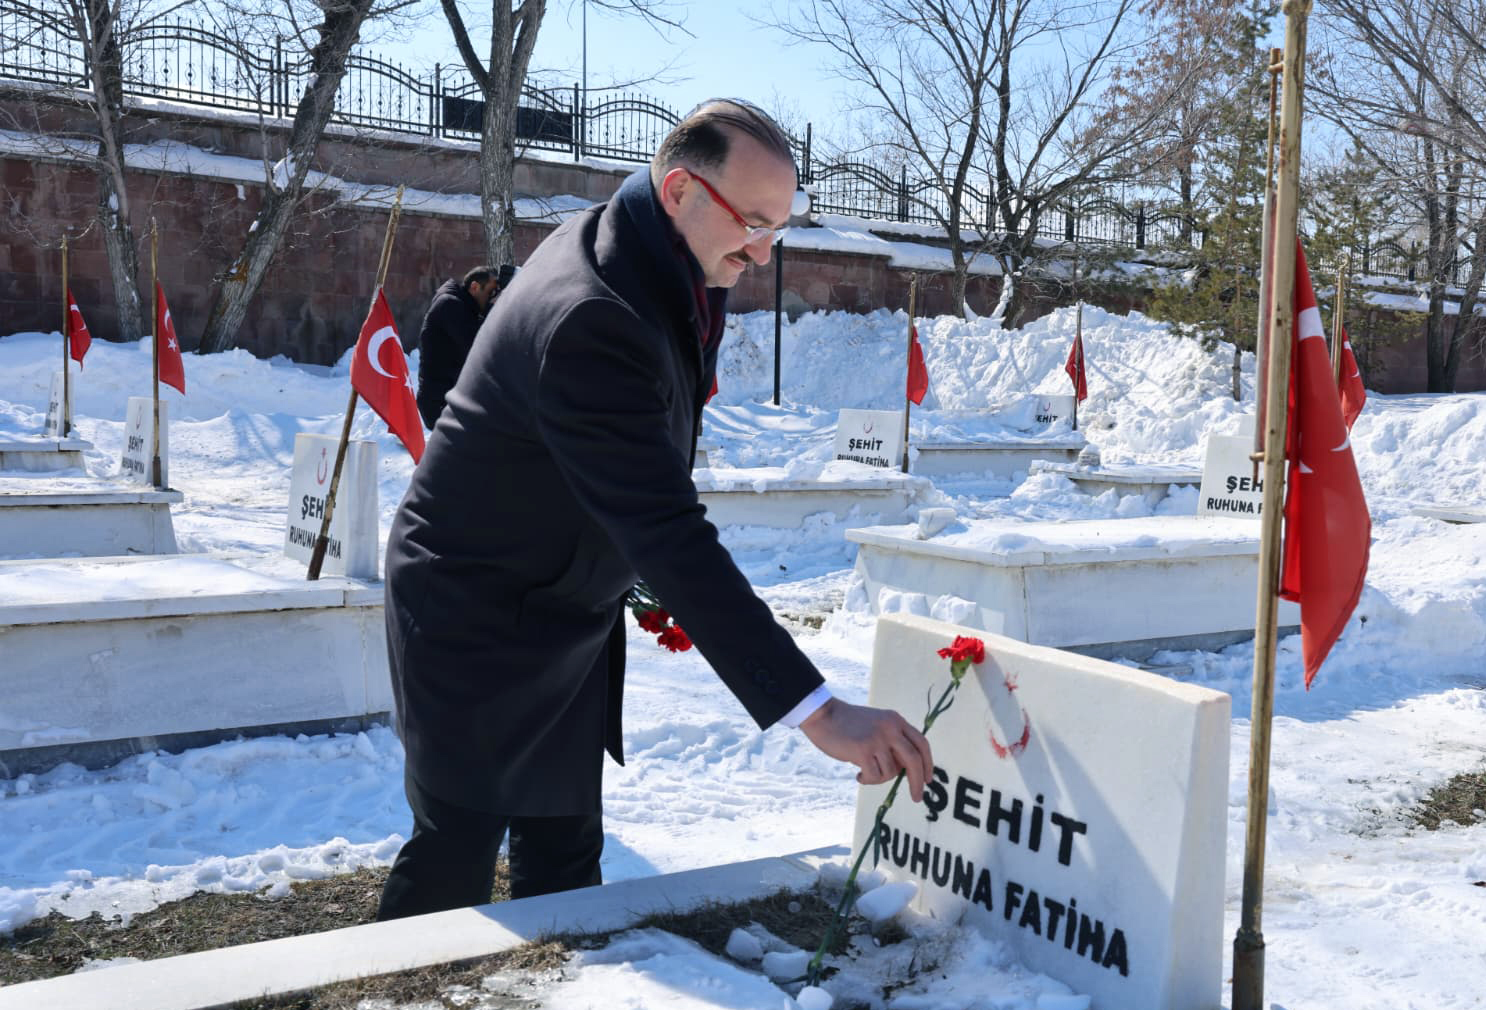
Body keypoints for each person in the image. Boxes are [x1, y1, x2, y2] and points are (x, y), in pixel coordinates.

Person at [377, 99, 934, 921]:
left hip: (560, 599)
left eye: (779, 229)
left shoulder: (648, 251)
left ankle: (569, 975)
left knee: (566, 844)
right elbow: (667, 528)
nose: (764, 251)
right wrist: (818, 711)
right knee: (455, 853)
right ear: (679, 190)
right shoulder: (594, 313)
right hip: (473, 612)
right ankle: (388, 976)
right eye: (753, 223)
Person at [414, 264, 512, 429]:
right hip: (440, 402)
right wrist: (495, 308)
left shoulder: (463, 307)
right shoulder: (450, 305)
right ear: (474, 287)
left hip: (451, 398)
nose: (492, 297)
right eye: (490, 292)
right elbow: (478, 346)